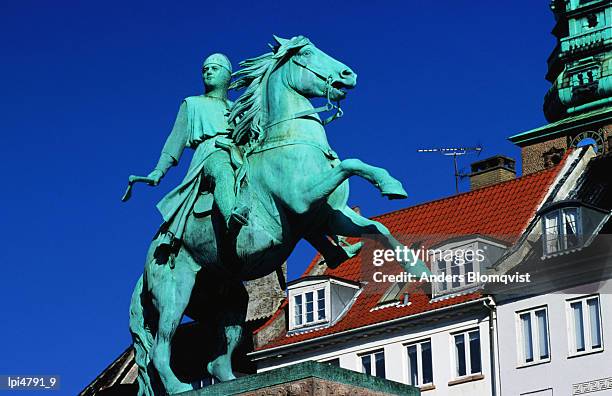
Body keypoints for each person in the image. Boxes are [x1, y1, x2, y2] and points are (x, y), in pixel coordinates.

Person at [147, 53, 248, 250]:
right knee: (222, 169)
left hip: (238, 152)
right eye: (205, 70)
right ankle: (231, 218)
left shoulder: (237, 108)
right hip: (210, 152)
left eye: (214, 68)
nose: (208, 72)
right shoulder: (192, 104)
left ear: (227, 75)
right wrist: (159, 170)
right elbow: (175, 141)